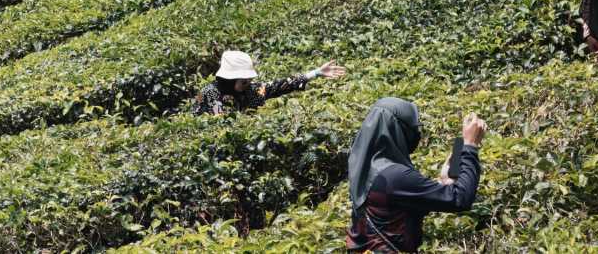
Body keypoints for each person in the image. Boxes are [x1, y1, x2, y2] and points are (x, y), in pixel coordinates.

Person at [347, 97, 486, 251]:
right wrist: (470, 146)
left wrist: (458, 149)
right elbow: (460, 199)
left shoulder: (366, 168)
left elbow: (408, 200)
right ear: (399, 130)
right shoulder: (394, 176)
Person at [190, 50, 344, 115]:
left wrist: (316, 73)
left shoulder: (249, 90)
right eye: (244, 80)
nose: (249, 83)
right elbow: (221, 126)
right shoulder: (210, 93)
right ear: (230, 79)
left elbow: (279, 85)